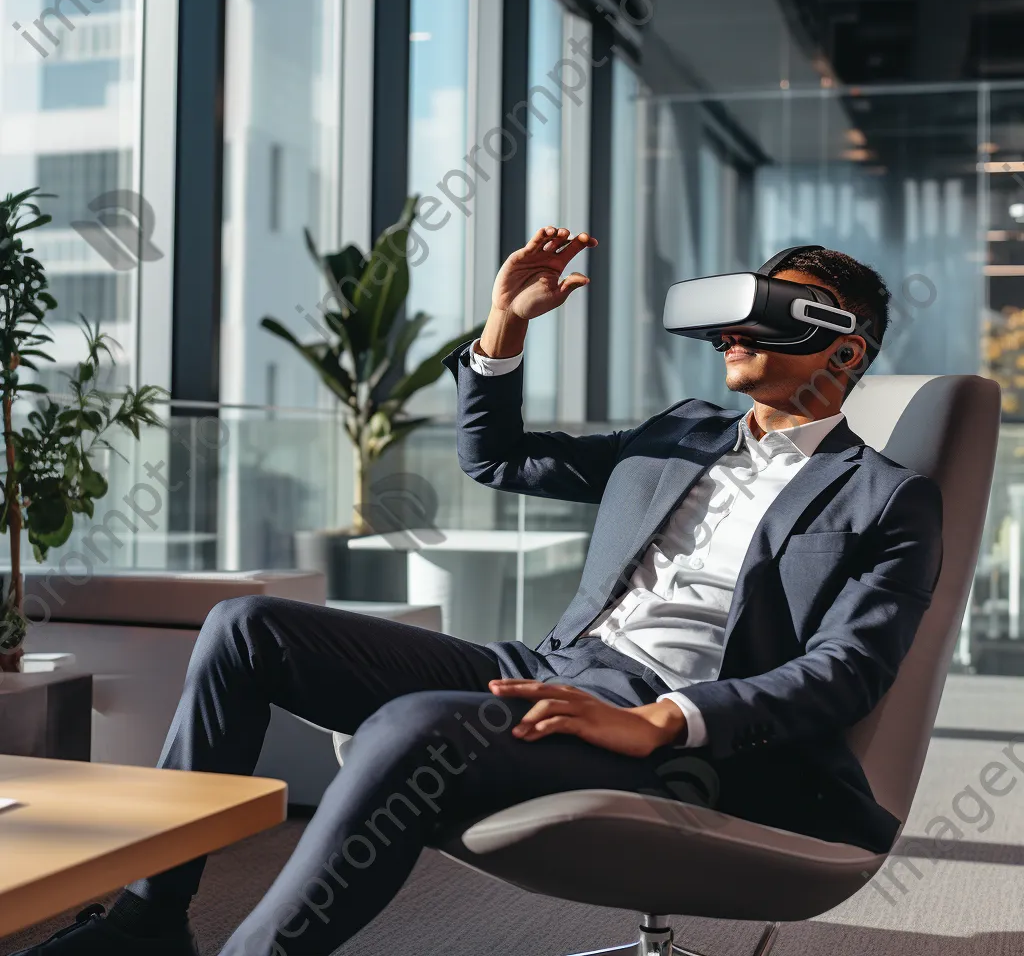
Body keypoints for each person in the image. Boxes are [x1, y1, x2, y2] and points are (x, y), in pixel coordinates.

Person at [17, 227, 943, 956]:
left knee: (413, 726)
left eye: (783, 309)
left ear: (843, 352)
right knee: (245, 626)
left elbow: (849, 670)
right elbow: (498, 457)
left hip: (677, 731)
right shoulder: (686, 431)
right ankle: (148, 921)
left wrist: (668, 720)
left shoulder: (888, 497)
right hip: (551, 666)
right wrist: (505, 328)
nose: (741, 326)